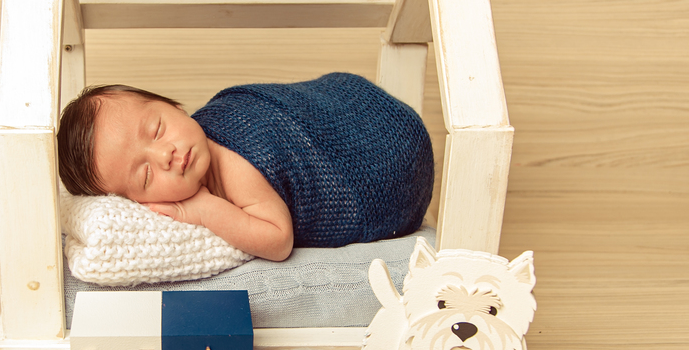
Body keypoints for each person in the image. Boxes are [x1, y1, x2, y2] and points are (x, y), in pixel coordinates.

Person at [58, 73, 435, 263]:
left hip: (384, 150)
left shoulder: (236, 160)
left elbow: (278, 239)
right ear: (136, 203)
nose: (165, 155)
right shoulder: (188, 160)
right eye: (145, 176)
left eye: (157, 128)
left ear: (172, 105)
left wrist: (204, 209)